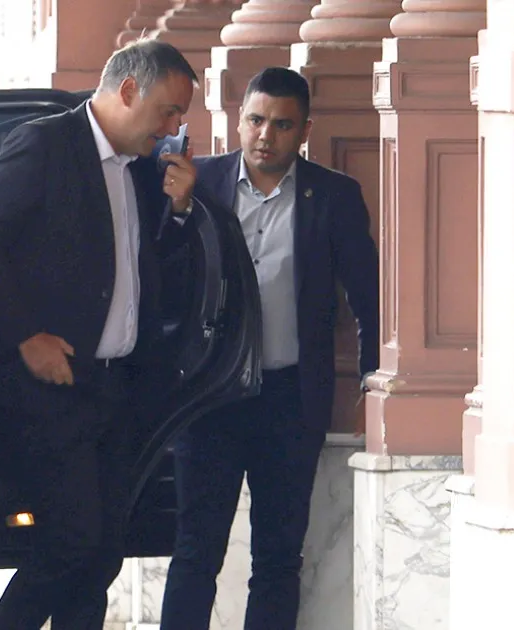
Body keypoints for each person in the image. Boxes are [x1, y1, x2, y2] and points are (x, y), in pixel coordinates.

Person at [0, 39, 200, 630]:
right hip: (52, 386)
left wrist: (181, 212)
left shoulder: (142, 172)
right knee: (71, 541)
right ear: (128, 90)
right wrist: (27, 336)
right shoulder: (44, 144)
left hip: (117, 388)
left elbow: (153, 273)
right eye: (168, 110)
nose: (173, 128)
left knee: (104, 553)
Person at [159, 67, 379, 630]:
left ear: (304, 131)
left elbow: (367, 295)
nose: (265, 135)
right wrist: (179, 210)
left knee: (278, 558)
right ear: (239, 121)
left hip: (289, 400)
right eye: (256, 120)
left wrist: (373, 381)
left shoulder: (334, 197)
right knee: (195, 551)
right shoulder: (198, 184)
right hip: (209, 399)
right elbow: (160, 275)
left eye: (282, 125)